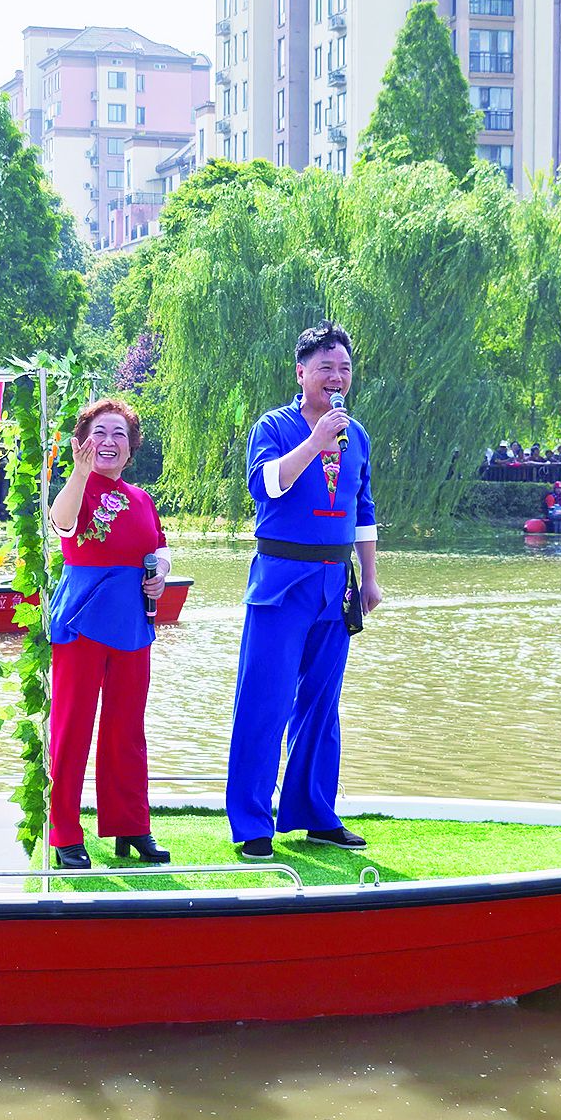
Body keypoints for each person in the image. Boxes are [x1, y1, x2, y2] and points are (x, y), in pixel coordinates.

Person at [227, 323, 380, 860]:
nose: (337, 378)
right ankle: (251, 824)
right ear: (301, 373)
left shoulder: (357, 435)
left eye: (344, 369)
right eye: (325, 368)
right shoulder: (274, 426)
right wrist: (315, 443)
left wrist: (370, 577)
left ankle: (315, 814)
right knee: (264, 702)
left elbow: (363, 510)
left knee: (322, 703)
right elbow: (265, 484)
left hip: (336, 585)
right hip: (281, 581)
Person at [44, 398, 172, 871]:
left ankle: (130, 825)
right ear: (83, 442)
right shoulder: (76, 489)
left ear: (131, 447)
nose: (109, 442)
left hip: (132, 624)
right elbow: (62, 523)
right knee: (72, 727)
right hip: (82, 622)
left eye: (120, 434)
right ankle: (64, 831)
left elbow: (159, 548)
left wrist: (161, 574)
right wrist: (78, 475)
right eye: (99, 432)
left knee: (127, 729)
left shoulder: (142, 499)